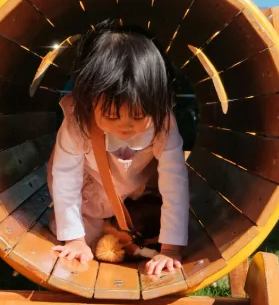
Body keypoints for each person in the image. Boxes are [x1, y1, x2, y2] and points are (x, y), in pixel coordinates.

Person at [47, 19, 189, 276]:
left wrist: (171, 248)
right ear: (90, 101)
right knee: (80, 249)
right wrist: (74, 239)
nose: (126, 127)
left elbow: (174, 181)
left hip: (132, 195)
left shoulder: (163, 123)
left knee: (143, 238)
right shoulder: (77, 123)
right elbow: (65, 179)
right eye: (112, 116)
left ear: (158, 102)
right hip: (88, 195)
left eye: (138, 116)